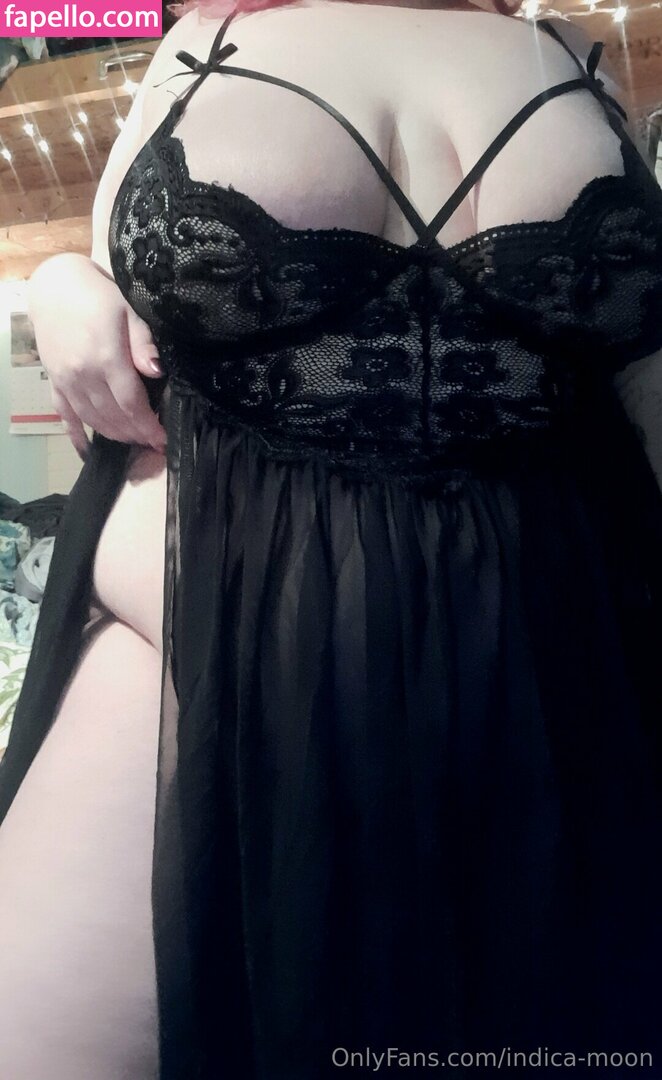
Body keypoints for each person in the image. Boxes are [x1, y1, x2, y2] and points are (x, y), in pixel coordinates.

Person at [1, 0, 662, 1076]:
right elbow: (132, 290)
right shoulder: (200, 38)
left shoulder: (567, 53)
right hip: (203, 646)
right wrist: (59, 281)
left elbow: (641, 385)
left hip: (548, 665)